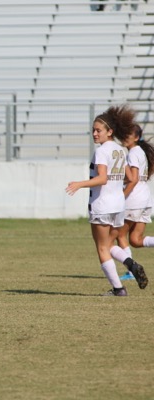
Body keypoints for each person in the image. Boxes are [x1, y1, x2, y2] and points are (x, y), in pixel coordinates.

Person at [66, 105, 147, 296]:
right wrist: (116, 186)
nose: (94, 133)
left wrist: (80, 184)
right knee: (110, 245)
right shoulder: (120, 150)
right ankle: (130, 263)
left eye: (98, 130)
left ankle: (119, 289)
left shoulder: (102, 151)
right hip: (118, 205)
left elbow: (102, 178)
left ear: (109, 132)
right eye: (93, 130)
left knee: (102, 248)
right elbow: (128, 176)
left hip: (102, 205)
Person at [111, 124, 154, 282]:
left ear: (136, 138)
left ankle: (130, 271)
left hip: (134, 199)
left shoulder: (134, 152)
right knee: (135, 240)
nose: (124, 137)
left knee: (118, 235)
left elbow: (133, 178)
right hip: (145, 198)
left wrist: (121, 195)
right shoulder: (140, 152)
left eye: (128, 134)